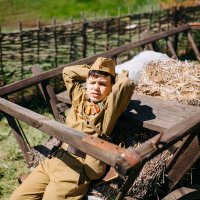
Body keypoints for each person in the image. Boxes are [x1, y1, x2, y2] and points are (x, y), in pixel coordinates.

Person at [10, 57, 135, 200]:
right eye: (92, 82)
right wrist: (94, 72)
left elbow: (126, 83)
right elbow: (68, 72)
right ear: (87, 82)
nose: (95, 87)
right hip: (56, 158)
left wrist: (112, 75)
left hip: (78, 166)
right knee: (18, 197)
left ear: (111, 87)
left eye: (102, 84)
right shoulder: (80, 98)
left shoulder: (109, 108)